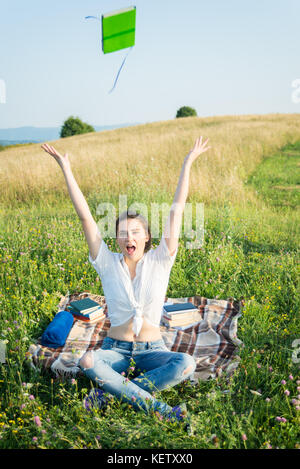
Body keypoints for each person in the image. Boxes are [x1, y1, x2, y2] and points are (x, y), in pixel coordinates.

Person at [41, 135, 210, 432]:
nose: (129, 237)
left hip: (152, 348)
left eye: (136, 232)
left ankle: (111, 393)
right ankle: (161, 410)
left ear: (147, 237)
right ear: (117, 238)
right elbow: (85, 218)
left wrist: (188, 162)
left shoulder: (160, 261)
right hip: (115, 350)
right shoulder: (106, 262)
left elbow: (177, 209)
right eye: (123, 232)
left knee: (186, 363)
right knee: (89, 362)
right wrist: (65, 168)